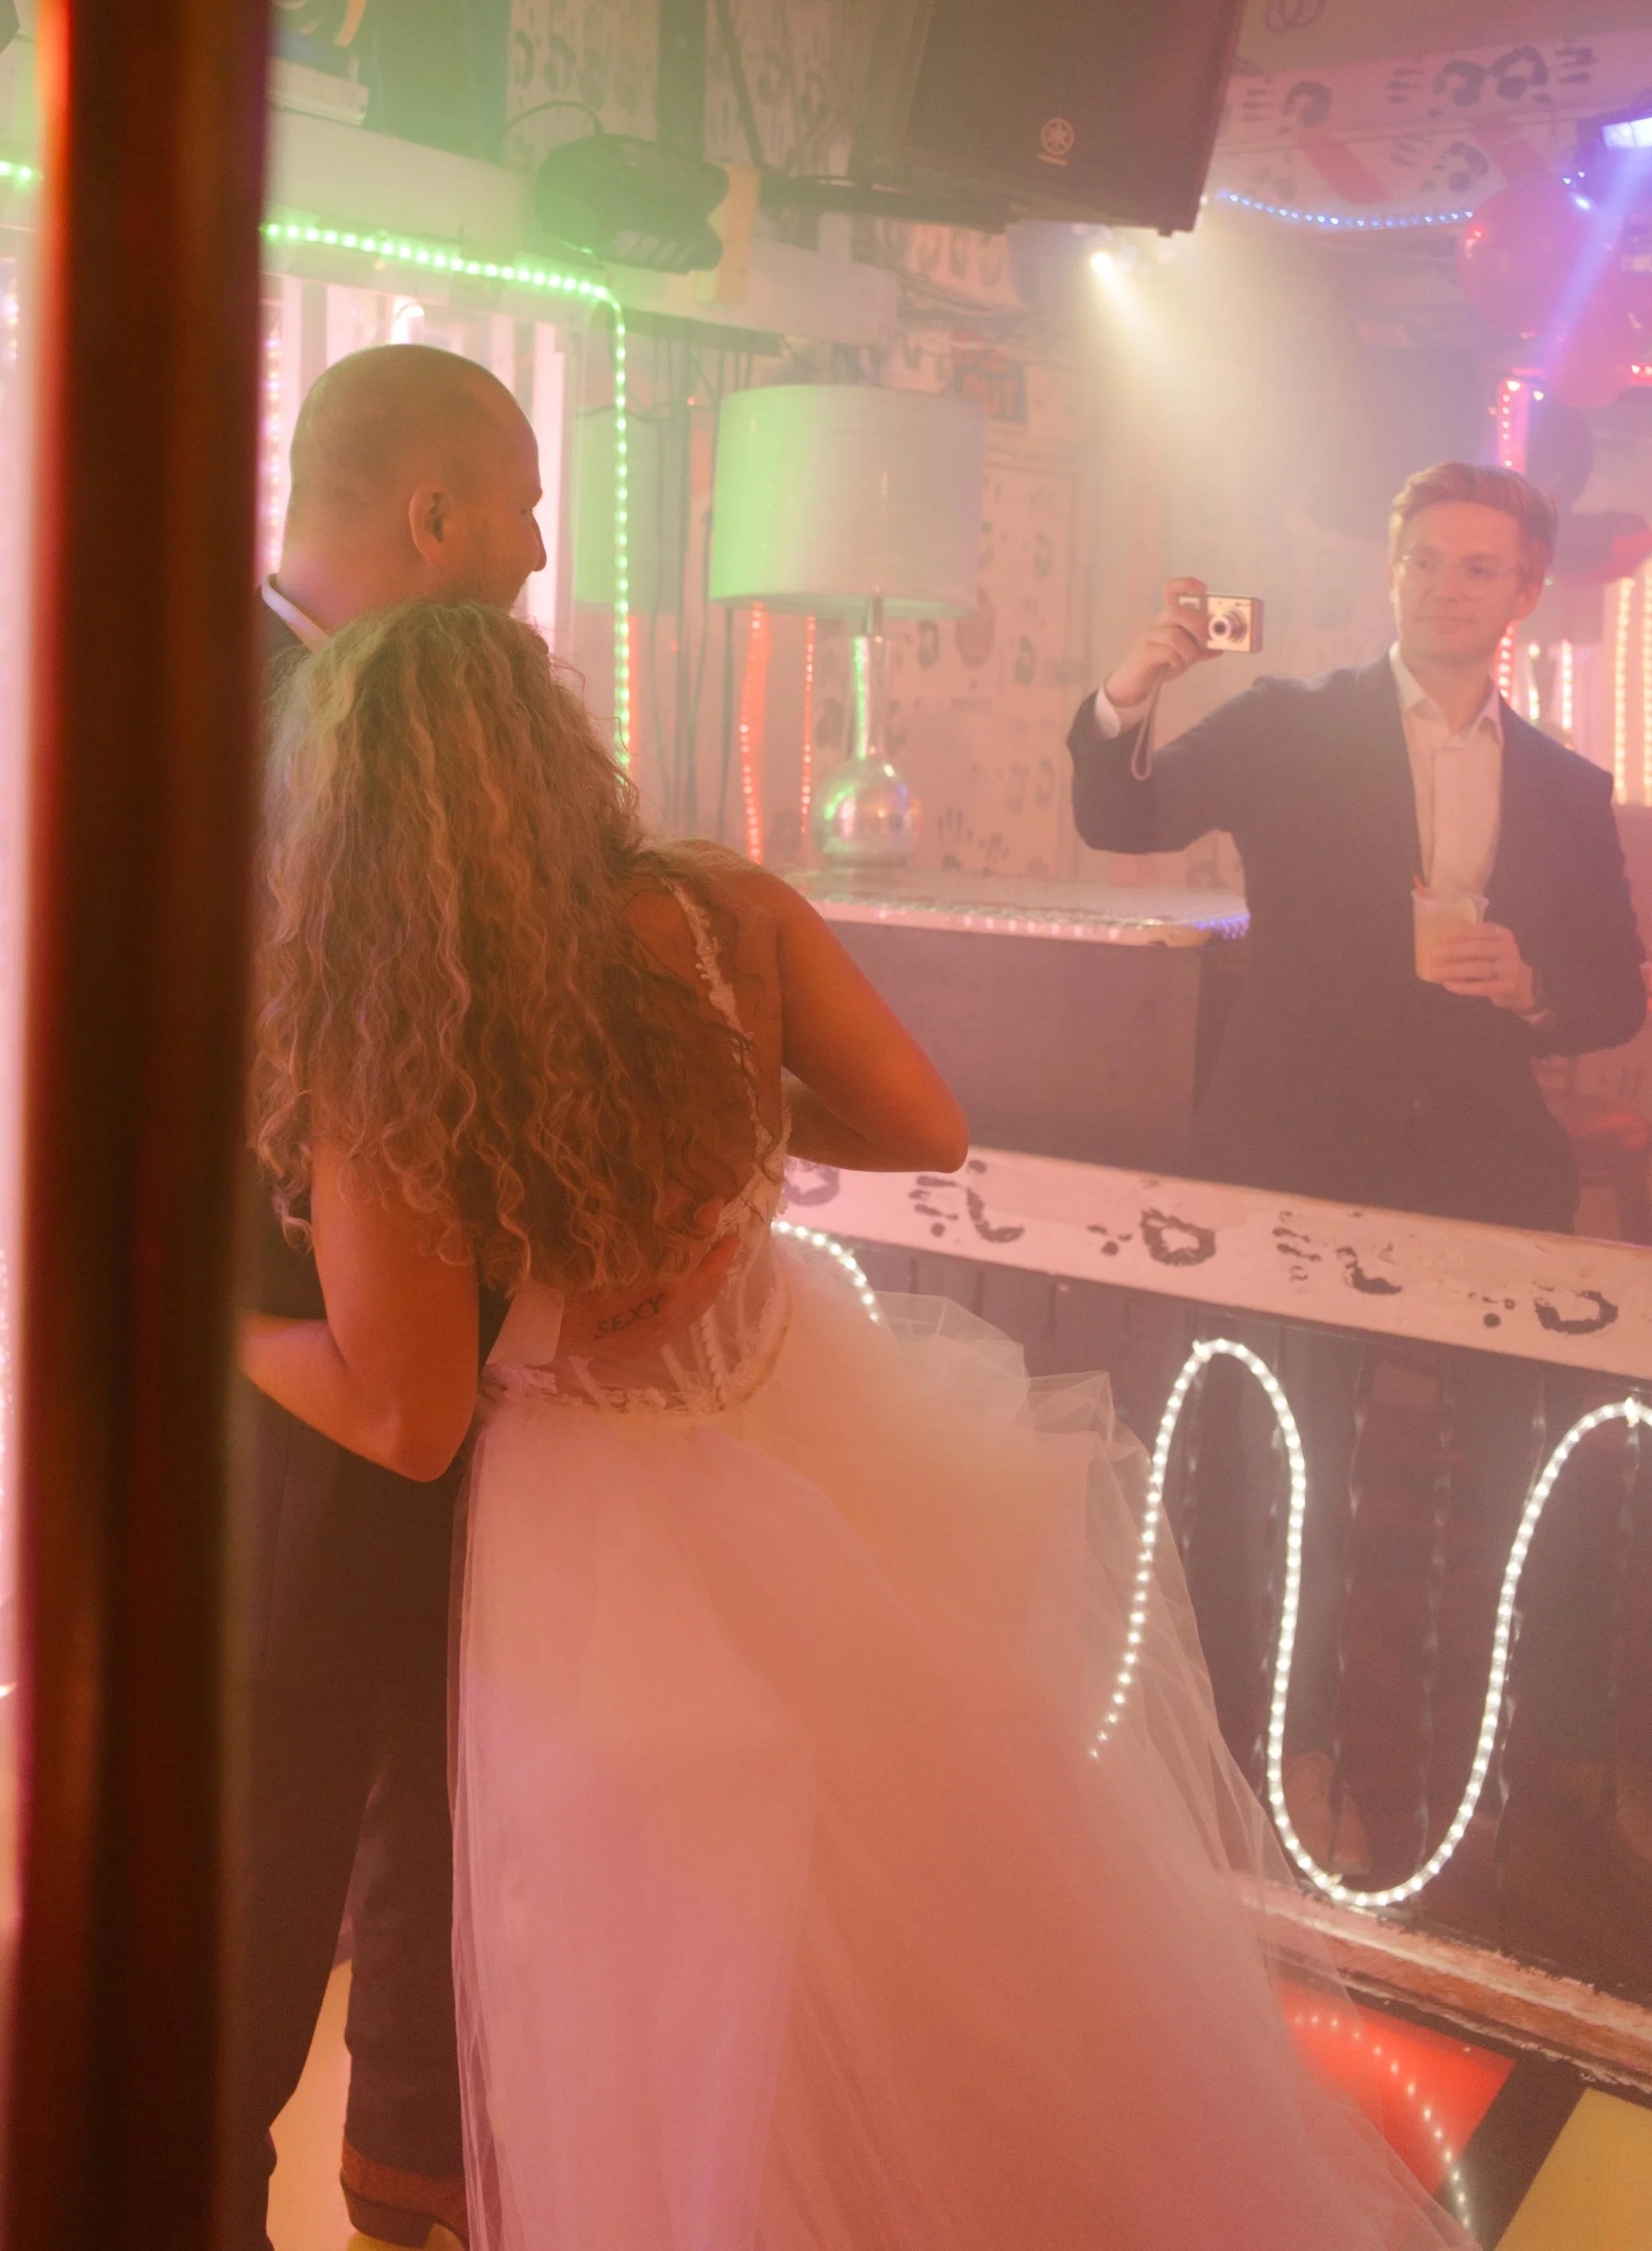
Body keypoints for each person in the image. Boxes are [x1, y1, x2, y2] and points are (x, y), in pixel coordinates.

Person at [241, 598, 1465, 2251]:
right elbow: (920, 1123)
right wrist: (727, 1124)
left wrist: (209, 1320)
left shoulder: (403, 1025)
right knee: (907, 1908)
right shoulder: (721, 908)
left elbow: (403, 1412)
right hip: (807, 1420)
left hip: (594, 1513)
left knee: (660, 1963)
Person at [231, 344, 545, 2251]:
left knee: (414, 1806)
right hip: (296, 1375)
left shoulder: (417, 715)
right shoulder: (257, 709)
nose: (530, 545)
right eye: (515, 503)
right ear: (431, 508)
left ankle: (405, 2182)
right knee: (260, 1861)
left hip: (418, 1358)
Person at [1067, 460, 1644, 1228]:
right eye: (1425, 562)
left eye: (1479, 569)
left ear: (1525, 594)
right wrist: (1131, 686)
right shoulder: (1285, 724)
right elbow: (1123, 822)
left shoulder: (1567, 787)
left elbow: (1615, 999)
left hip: (1484, 1172)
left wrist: (1527, 988)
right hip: (1287, 1157)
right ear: (1393, 574)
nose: (1447, 587)